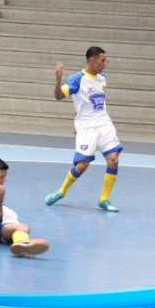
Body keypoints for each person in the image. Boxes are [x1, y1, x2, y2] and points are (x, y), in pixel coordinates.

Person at [44, 46, 123, 212]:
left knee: (114, 160)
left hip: (104, 124)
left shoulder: (103, 78)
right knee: (81, 166)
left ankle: (103, 200)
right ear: (92, 60)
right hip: (87, 127)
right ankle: (61, 191)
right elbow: (58, 96)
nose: (105, 63)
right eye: (102, 60)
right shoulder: (77, 79)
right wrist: (58, 79)